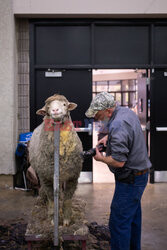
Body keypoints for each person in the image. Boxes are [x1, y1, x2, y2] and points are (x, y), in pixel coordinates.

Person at [85, 92, 151, 250]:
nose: (98, 119)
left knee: (118, 222)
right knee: (132, 219)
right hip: (139, 174)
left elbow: (119, 161)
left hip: (130, 179)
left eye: (99, 115)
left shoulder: (118, 124)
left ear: (108, 110)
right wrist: (108, 138)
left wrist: (101, 159)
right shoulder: (126, 112)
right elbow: (128, 135)